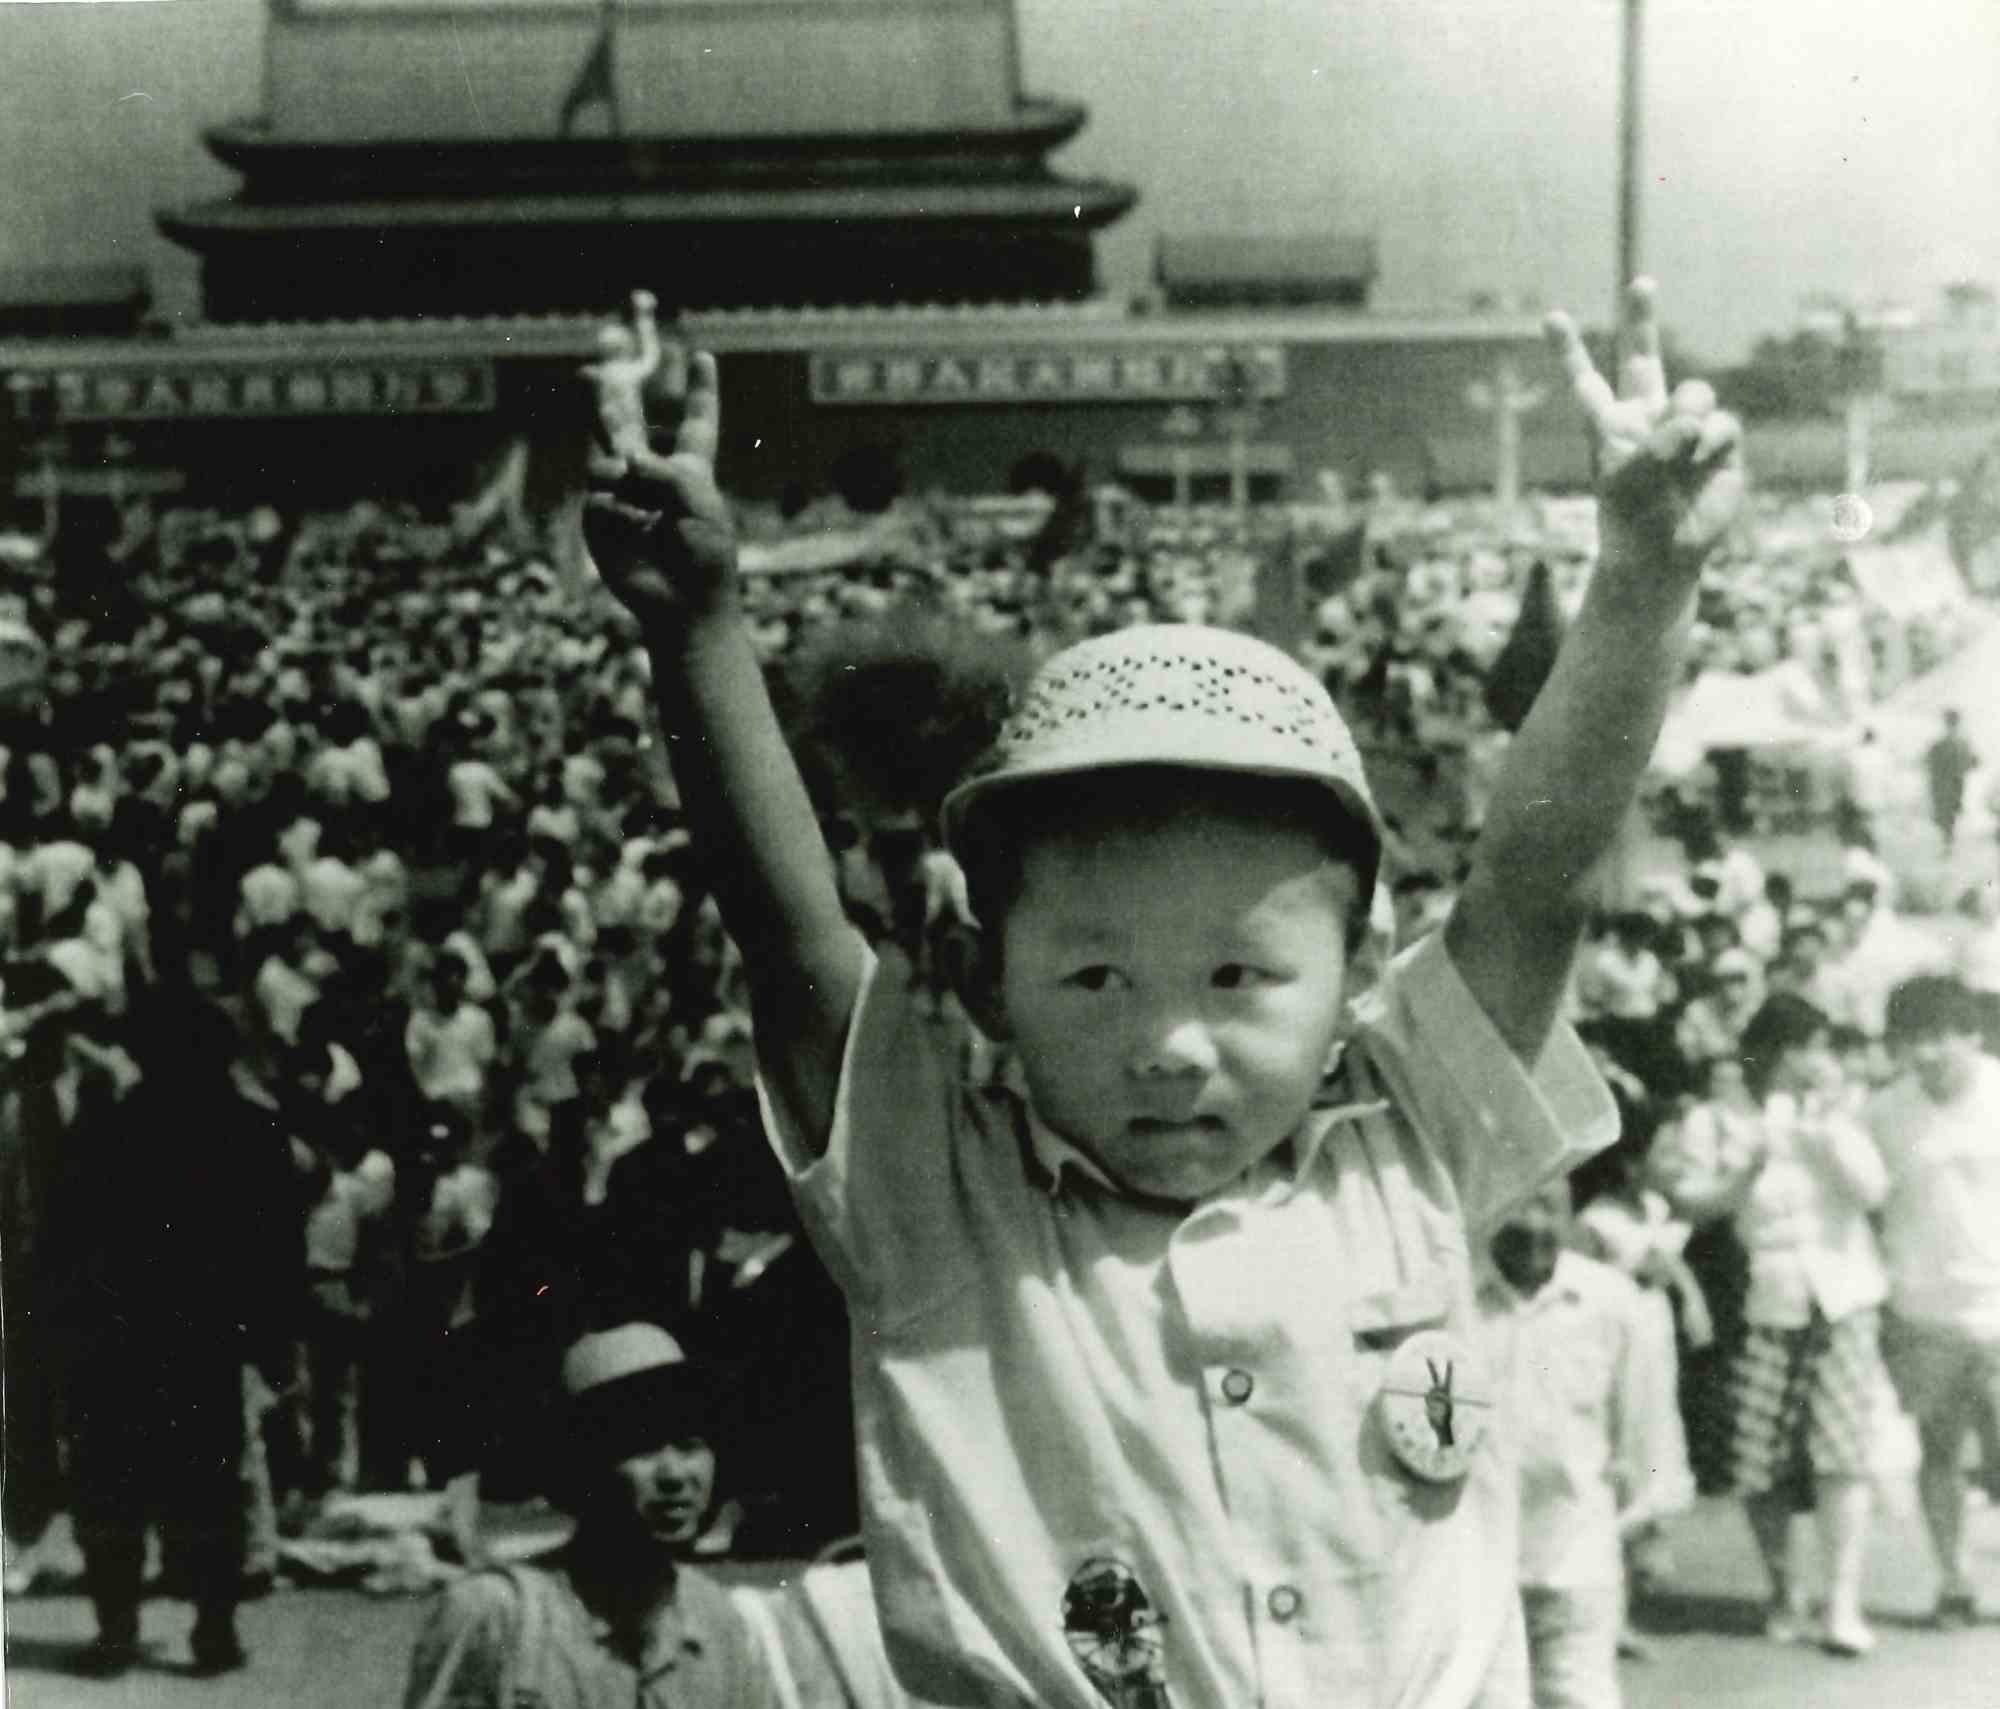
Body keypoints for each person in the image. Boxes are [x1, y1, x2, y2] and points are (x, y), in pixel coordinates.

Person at [578, 273, 1742, 1709]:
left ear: (1361, 969)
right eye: (1093, 973)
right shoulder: (935, 1189)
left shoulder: (1415, 1128)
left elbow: (1536, 877)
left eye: (1242, 973)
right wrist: (694, 628)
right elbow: (794, 939)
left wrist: (1642, 580)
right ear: (986, 981)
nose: (1172, 1044)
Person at [1657, 993, 1889, 1656]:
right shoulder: (1717, 1119)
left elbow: (1873, 1190)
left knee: (1844, 1452)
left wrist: (1827, 1129)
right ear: (1775, 1049)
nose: (1814, 1061)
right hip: (1763, 1297)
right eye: (1804, 1047)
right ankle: (1786, 1588)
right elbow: (1692, 1203)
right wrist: (1747, 1165)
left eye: (1819, 1047)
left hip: (1844, 1292)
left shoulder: (1843, 1110)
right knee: (1761, 1456)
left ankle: (1842, 1601)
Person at [402, 1321, 784, 1709]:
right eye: (642, 1445)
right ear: (582, 1465)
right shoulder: (499, 1616)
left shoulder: (717, 1621)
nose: (673, 1475)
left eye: (690, 1446)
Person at [1480, 1180, 1689, 1709]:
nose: (1533, 1226)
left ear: (1573, 1217)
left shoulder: (1610, 1300)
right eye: (1516, 1206)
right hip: (1475, 1562)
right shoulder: (1455, 1294)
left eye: (1548, 1208)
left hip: (1576, 1551)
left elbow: (1648, 1427)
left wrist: (1648, 1528)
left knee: (1579, 1694)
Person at [1869, 975, 2000, 1626]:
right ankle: (1954, 1579)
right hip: (1922, 1314)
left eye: (1942, 1035)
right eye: (1913, 1039)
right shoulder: (1883, 1111)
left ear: (1973, 1033)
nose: (1928, 1052)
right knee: (1940, 1452)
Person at [1924, 709, 1978, 851]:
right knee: (1948, 813)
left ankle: (1947, 840)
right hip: (1951, 783)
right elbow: (1973, 762)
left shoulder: (1947, 742)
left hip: (1947, 783)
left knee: (1946, 813)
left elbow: (1928, 761)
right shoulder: (1961, 742)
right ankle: (1947, 840)